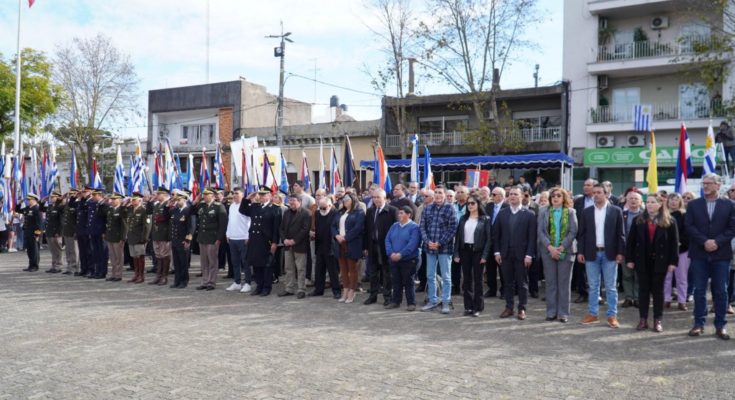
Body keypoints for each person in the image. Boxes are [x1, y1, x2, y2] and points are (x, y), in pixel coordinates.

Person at [685, 173, 735, 340]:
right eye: (703, 183)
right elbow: (689, 227)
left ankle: (720, 326)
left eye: (708, 183)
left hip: (721, 255)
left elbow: (732, 228)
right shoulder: (693, 205)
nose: (705, 186)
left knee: (721, 290)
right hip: (699, 253)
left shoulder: (729, 205)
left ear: (718, 185)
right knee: (699, 290)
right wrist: (705, 241)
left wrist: (717, 242)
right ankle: (698, 324)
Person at [625, 194, 679, 332]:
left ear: (660, 204)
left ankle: (657, 320)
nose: (649, 204)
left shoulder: (669, 221)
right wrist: (629, 259)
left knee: (657, 291)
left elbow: (674, 244)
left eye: (653, 202)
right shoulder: (639, 220)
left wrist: (673, 262)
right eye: (647, 202)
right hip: (642, 260)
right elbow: (630, 242)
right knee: (643, 291)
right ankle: (643, 320)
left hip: (660, 261)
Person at [577, 183, 625, 328]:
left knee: (610, 287)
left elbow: (620, 235)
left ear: (606, 193)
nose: (596, 195)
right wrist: (580, 251)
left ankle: (612, 316)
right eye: (594, 192)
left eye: (599, 192)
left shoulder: (615, 211)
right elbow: (582, 234)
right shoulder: (587, 212)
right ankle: (593, 314)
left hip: (609, 253)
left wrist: (620, 252)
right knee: (593, 286)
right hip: (591, 253)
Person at [493, 186, 537, 320]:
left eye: (515, 194)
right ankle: (509, 307)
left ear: (522, 196)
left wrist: (529, 255)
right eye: (510, 194)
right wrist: (497, 252)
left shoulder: (529, 214)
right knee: (507, 282)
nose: (512, 196)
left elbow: (532, 237)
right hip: (505, 253)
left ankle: (522, 309)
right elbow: (496, 235)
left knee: (522, 283)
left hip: (522, 255)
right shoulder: (502, 213)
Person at [537, 187, 578, 323]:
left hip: (566, 252)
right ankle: (551, 312)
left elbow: (573, 231)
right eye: (553, 196)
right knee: (550, 283)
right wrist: (550, 247)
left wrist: (561, 247)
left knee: (564, 284)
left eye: (558, 196)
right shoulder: (543, 211)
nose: (555, 198)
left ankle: (563, 313)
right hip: (548, 251)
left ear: (563, 198)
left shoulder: (571, 212)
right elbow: (540, 232)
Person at [420, 185, 458, 314]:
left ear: (444, 194)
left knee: (446, 277)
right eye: (435, 192)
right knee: (430, 275)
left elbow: (452, 228)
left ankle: (445, 302)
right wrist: (427, 241)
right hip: (429, 248)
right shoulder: (427, 208)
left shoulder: (450, 208)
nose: (437, 195)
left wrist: (439, 243)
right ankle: (432, 300)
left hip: (444, 249)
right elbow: (422, 227)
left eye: (440, 193)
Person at [239, 186, 282, 296]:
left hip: (266, 241)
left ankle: (266, 288)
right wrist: (248, 198)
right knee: (256, 264)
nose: (262, 197)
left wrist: (274, 242)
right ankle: (259, 286)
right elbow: (242, 210)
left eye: (264, 195)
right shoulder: (255, 206)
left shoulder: (275, 209)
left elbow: (276, 228)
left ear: (269, 196)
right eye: (260, 195)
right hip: (254, 240)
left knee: (266, 265)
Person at [454, 194, 492, 317]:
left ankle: (478, 307)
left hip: (478, 251)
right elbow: (458, 237)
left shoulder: (485, 219)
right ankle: (468, 307)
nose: (470, 205)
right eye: (468, 203)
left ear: (478, 205)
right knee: (466, 280)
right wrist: (456, 253)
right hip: (465, 251)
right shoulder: (463, 219)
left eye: (472, 203)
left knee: (478, 280)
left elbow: (488, 239)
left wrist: (485, 255)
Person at [363, 188, 398, 306]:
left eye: (378, 197)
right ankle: (373, 296)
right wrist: (366, 247)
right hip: (373, 247)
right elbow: (366, 230)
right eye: (373, 197)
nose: (375, 199)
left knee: (387, 273)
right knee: (373, 273)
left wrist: (394, 247)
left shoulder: (393, 211)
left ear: (384, 198)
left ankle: (387, 297)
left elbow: (396, 231)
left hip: (387, 247)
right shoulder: (370, 211)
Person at [385, 206, 421, 311]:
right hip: (393, 259)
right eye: (399, 213)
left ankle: (411, 303)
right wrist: (391, 253)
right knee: (396, 281)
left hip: (408, 260)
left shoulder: (414, 227)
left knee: (408, 281)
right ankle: (396, 301)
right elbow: (387, 240)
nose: (399, 215)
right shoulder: (394, 225)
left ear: (409, 215)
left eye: (401, 213)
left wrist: (401, 254)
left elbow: (412, 244)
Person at [332, 193, 365, 304]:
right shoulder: (340, 212)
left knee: (352, 269)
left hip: (352, 243)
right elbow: (333, 226)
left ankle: (352, 291)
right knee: (343, 270)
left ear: (353, 200)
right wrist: (336, 236)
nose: (345, 201)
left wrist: (345, 237)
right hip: (339, 244)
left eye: (347, 199)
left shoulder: (359, 212)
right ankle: (345, 290)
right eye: (344, 199)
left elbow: (358, 228)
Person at [278, 194, 312, 298]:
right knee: (289, 268)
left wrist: (294, 240)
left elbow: (305, 229)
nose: (291, 202)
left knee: (301, 268)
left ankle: (301, 289)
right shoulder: (287, 212)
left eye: (293, 200)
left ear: (299, 201)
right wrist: (285, 240)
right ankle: (289, 288)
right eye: (290, 200)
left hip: (300, 245)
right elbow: (281, 228)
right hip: (288, 245)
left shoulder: (306, 213)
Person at [194, 188, 227, 291]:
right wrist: (196, 200)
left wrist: (219, 238)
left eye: (207, 195)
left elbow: (223, 225)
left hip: (213, 238)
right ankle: (204, 282)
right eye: (204, 195)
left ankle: (211, 282)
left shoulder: (219, 207)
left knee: (212, 261)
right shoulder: (201, 205)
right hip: (202, 237)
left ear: (213, 196)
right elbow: (191, 212)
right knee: (203, 262)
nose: (204, 196)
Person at [310, 197, 341, 298]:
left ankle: (336, 290)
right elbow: (317, 226)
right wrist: (313, 233)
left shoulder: (335, 213)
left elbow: (337, 229)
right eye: (320, 207)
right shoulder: (318, 213)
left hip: (331, 245)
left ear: (330, 205)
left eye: (324, 208)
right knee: (319, 269)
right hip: (320, 245)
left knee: (333, 271)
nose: (322, 209)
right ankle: (319, 289)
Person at [572, 178, 597, 304]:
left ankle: (596, 294)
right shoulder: (578, 201)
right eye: (584, 185)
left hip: (597, 238)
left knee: (597, 267)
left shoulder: (600, 200)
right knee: (580, 267)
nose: (586, 187)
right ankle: (583, 293)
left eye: (589, 185)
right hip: (581, 238)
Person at [664, 193, 690, 311]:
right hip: (666, 252)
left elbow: (687, 232)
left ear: (680, 202)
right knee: (666, 277)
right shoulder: (663, 215)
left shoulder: (684, 215)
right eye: (671, 200)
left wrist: (679, 243)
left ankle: (682, 301)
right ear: (667, 201)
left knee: (681, 278)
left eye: (676, 200)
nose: (673, 202)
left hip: (682, 250)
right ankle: (666, 300)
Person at [224, 188, 252, 293]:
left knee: (245, 262)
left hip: (243, 238)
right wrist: (227, 234)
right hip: (232, 238)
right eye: (233, 193)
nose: (234, 195)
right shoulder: (231, 206)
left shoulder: (246, 206)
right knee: (235, 262)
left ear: (242, 195)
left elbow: (251, 221)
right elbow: (230, 221)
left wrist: (248, 236)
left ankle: (248, 283)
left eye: (237, 193)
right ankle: (237, 282)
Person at [621, 190, 643, 308]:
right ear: (626, 200)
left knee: (639, 275)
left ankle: (637, 298)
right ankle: (628, 298)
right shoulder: (622, 215)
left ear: (640, 202)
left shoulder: (645, 215)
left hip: (641, 252)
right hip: (625, 250)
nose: (633, 201)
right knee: (627, 275)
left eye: (636, 199)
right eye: (630, 198)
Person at [484, 187, 508, 298]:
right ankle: (491, 289)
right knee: (490, 267)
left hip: (502, 241)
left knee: (502, 267)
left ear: (501, 196)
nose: (492, 197)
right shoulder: (489, 206)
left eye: (494, 194)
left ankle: (504, 290)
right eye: (492, 194)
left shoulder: (507, 207)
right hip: (489, 241)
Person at [170, 190, 195, 289]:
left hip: (183, 241)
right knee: (176, 262)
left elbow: (191, 227)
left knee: (183, 262)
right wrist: (170, 204)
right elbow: (167, 214)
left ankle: (184, 281)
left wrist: (188, 240)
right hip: (175, 240)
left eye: (179, 200)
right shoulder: (175, 210)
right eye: (176, 200)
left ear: (184, 199)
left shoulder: (188, 210)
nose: (177, 202)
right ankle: (177, 281)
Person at [148, 187, 173, 285]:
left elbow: (168, 218)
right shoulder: (157, 204)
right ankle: (158, 276)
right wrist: (150, 201)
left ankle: (164, 276)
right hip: (156, 233)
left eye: (159, 194)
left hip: (164, 234)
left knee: (165, 255)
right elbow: (148, 211)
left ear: (165, 195)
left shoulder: (168, 204)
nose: (157, 196)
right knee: (158, 255)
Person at [126, 192, 151, 284]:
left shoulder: (143, 211)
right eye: (132, 200)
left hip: (139, 238)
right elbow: (124, 217)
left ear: (140, 200)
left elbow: (147, 226)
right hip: (131, 237)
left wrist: (144, 238)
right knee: (134, 257)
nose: (132, 201)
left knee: (140, 257)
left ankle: (141, 275)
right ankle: (136, 274)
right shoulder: (131, 210)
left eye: (134, 199)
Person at [104, 193, 128, 282]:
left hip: (118, 237)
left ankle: (118, 274)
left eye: (115, 199)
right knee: (112, 257)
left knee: (118, 257)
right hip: (110, 236)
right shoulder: (110, 210)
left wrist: (123, 237)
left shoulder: (122, 211)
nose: (113, 201)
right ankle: (113, 273)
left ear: (120, 200)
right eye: (112, 199)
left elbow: (124, 226)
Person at [17, 193, 42, 272]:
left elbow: (39, 223)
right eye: (27, 199)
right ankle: (31, 265)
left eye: (29, 199)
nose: (28, 201)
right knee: (29, 250)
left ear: (34, 200)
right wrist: (19, 203)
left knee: (34, 250)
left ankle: (35, 266)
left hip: (34, 233)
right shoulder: (27, 208)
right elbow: (17, 210)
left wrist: (37, 234)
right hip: (27, 231)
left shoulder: (37, 209)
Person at [44, 191, 65, 273]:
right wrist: (42, 202)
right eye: (51, 197)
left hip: (56, 232)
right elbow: (41, 208)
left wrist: (59, 232)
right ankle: (54, 265)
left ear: (58, 198)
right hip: (49, 231)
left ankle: (59, 266)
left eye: (53, 197)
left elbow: (61, 221)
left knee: (58, 249)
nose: (52, 199)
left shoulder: (60, 207)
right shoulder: (50, 206)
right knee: (52, 250)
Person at [60, 190, 79, 275]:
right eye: (69, 195)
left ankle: (74, 267)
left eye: (71, 195)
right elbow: (58, 208)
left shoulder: (76, 204)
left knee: (74, 251)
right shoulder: (66, 205)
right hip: (66, 231)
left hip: (73, 231)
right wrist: (61, 199)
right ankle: (69, 266)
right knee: (68, 250)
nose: (69, 196)